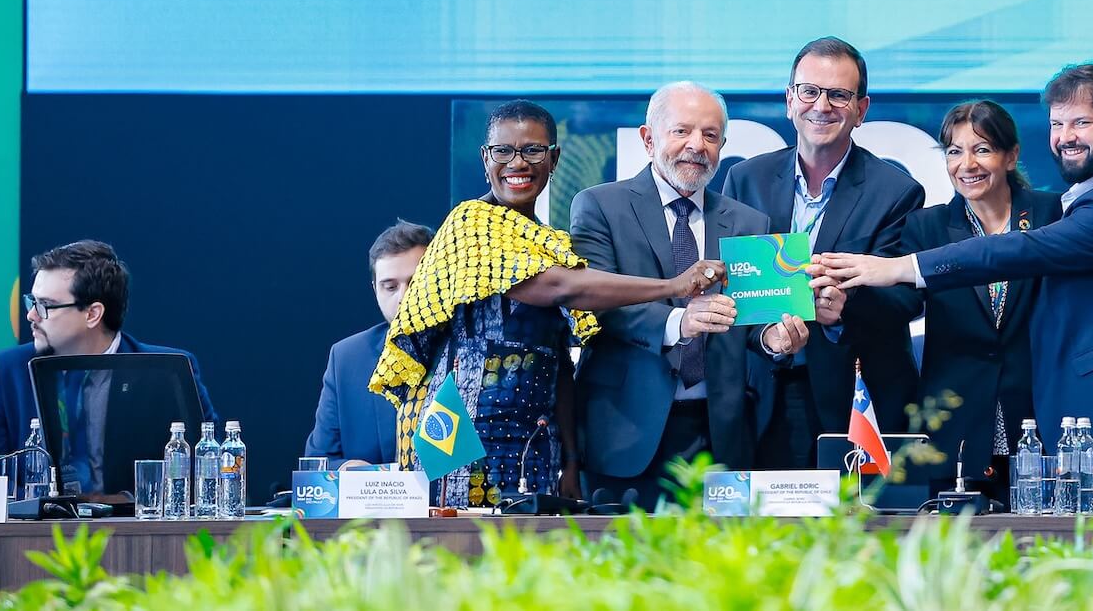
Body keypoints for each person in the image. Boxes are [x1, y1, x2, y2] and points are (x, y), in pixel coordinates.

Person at [816, 58, 1093, 494]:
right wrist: (844, 307)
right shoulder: (1092, 198)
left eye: (1082, 122)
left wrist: (897, 267)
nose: (1066, 137)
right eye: (1057, 123)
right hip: (1070, 425)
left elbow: (1024, 249)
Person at [369, 99, 726, 508]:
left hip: (534, 438)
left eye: (533, 150)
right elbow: (558, 288)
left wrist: (571, 458)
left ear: (553, 158)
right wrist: (673, 285)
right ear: (486, 159)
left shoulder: (550, 241)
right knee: (458, 554)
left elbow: (559, 362)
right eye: (503, 151)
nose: (517, 163)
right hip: (458, 430)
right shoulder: (470, 223)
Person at [570, 82, 811, 509]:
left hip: (720, 436)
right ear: (648, 139)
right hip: (625, 430)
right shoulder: (598, 206)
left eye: (710, 135)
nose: (696, 146)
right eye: (681, 131)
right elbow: (594, 302)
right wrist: (677, 322)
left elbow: (751, 318)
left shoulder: (749, 221)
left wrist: (773, 339)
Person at [720, 37, 923, 469]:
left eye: (838, 95)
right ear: (789, 99)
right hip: (762, 391)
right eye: (809, 91)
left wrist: (847, 307)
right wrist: (766, 339)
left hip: (854, 399)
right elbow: (734, 288)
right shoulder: (745, 179)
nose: (822, 105)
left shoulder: (896, 191)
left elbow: (907, 296)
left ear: (862, 109)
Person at [866, 100, 1061, 504]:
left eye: (982, 149)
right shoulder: (928, 226)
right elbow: (901, 304)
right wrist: (846, 306)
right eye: (955, 151)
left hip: (1039, 414)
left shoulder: (1051, 212)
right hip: (955, 424)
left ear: (1011, 155)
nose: (966, 164)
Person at [0, 240, 217, 496]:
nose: (31, 316)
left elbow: (210, 473)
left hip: (134, 530)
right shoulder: (10, 370)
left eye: (45, 306)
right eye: (32, 302)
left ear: (93, 314)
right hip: (39, 532)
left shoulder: (166, 372)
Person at [304, 219, 433, 467]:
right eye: (390, 287)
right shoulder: (347, 358)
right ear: (375, 290)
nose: (404, 297)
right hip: (371, 504)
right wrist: (346, 470)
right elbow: (317, 463)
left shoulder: (469, 349)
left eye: (415, 283)